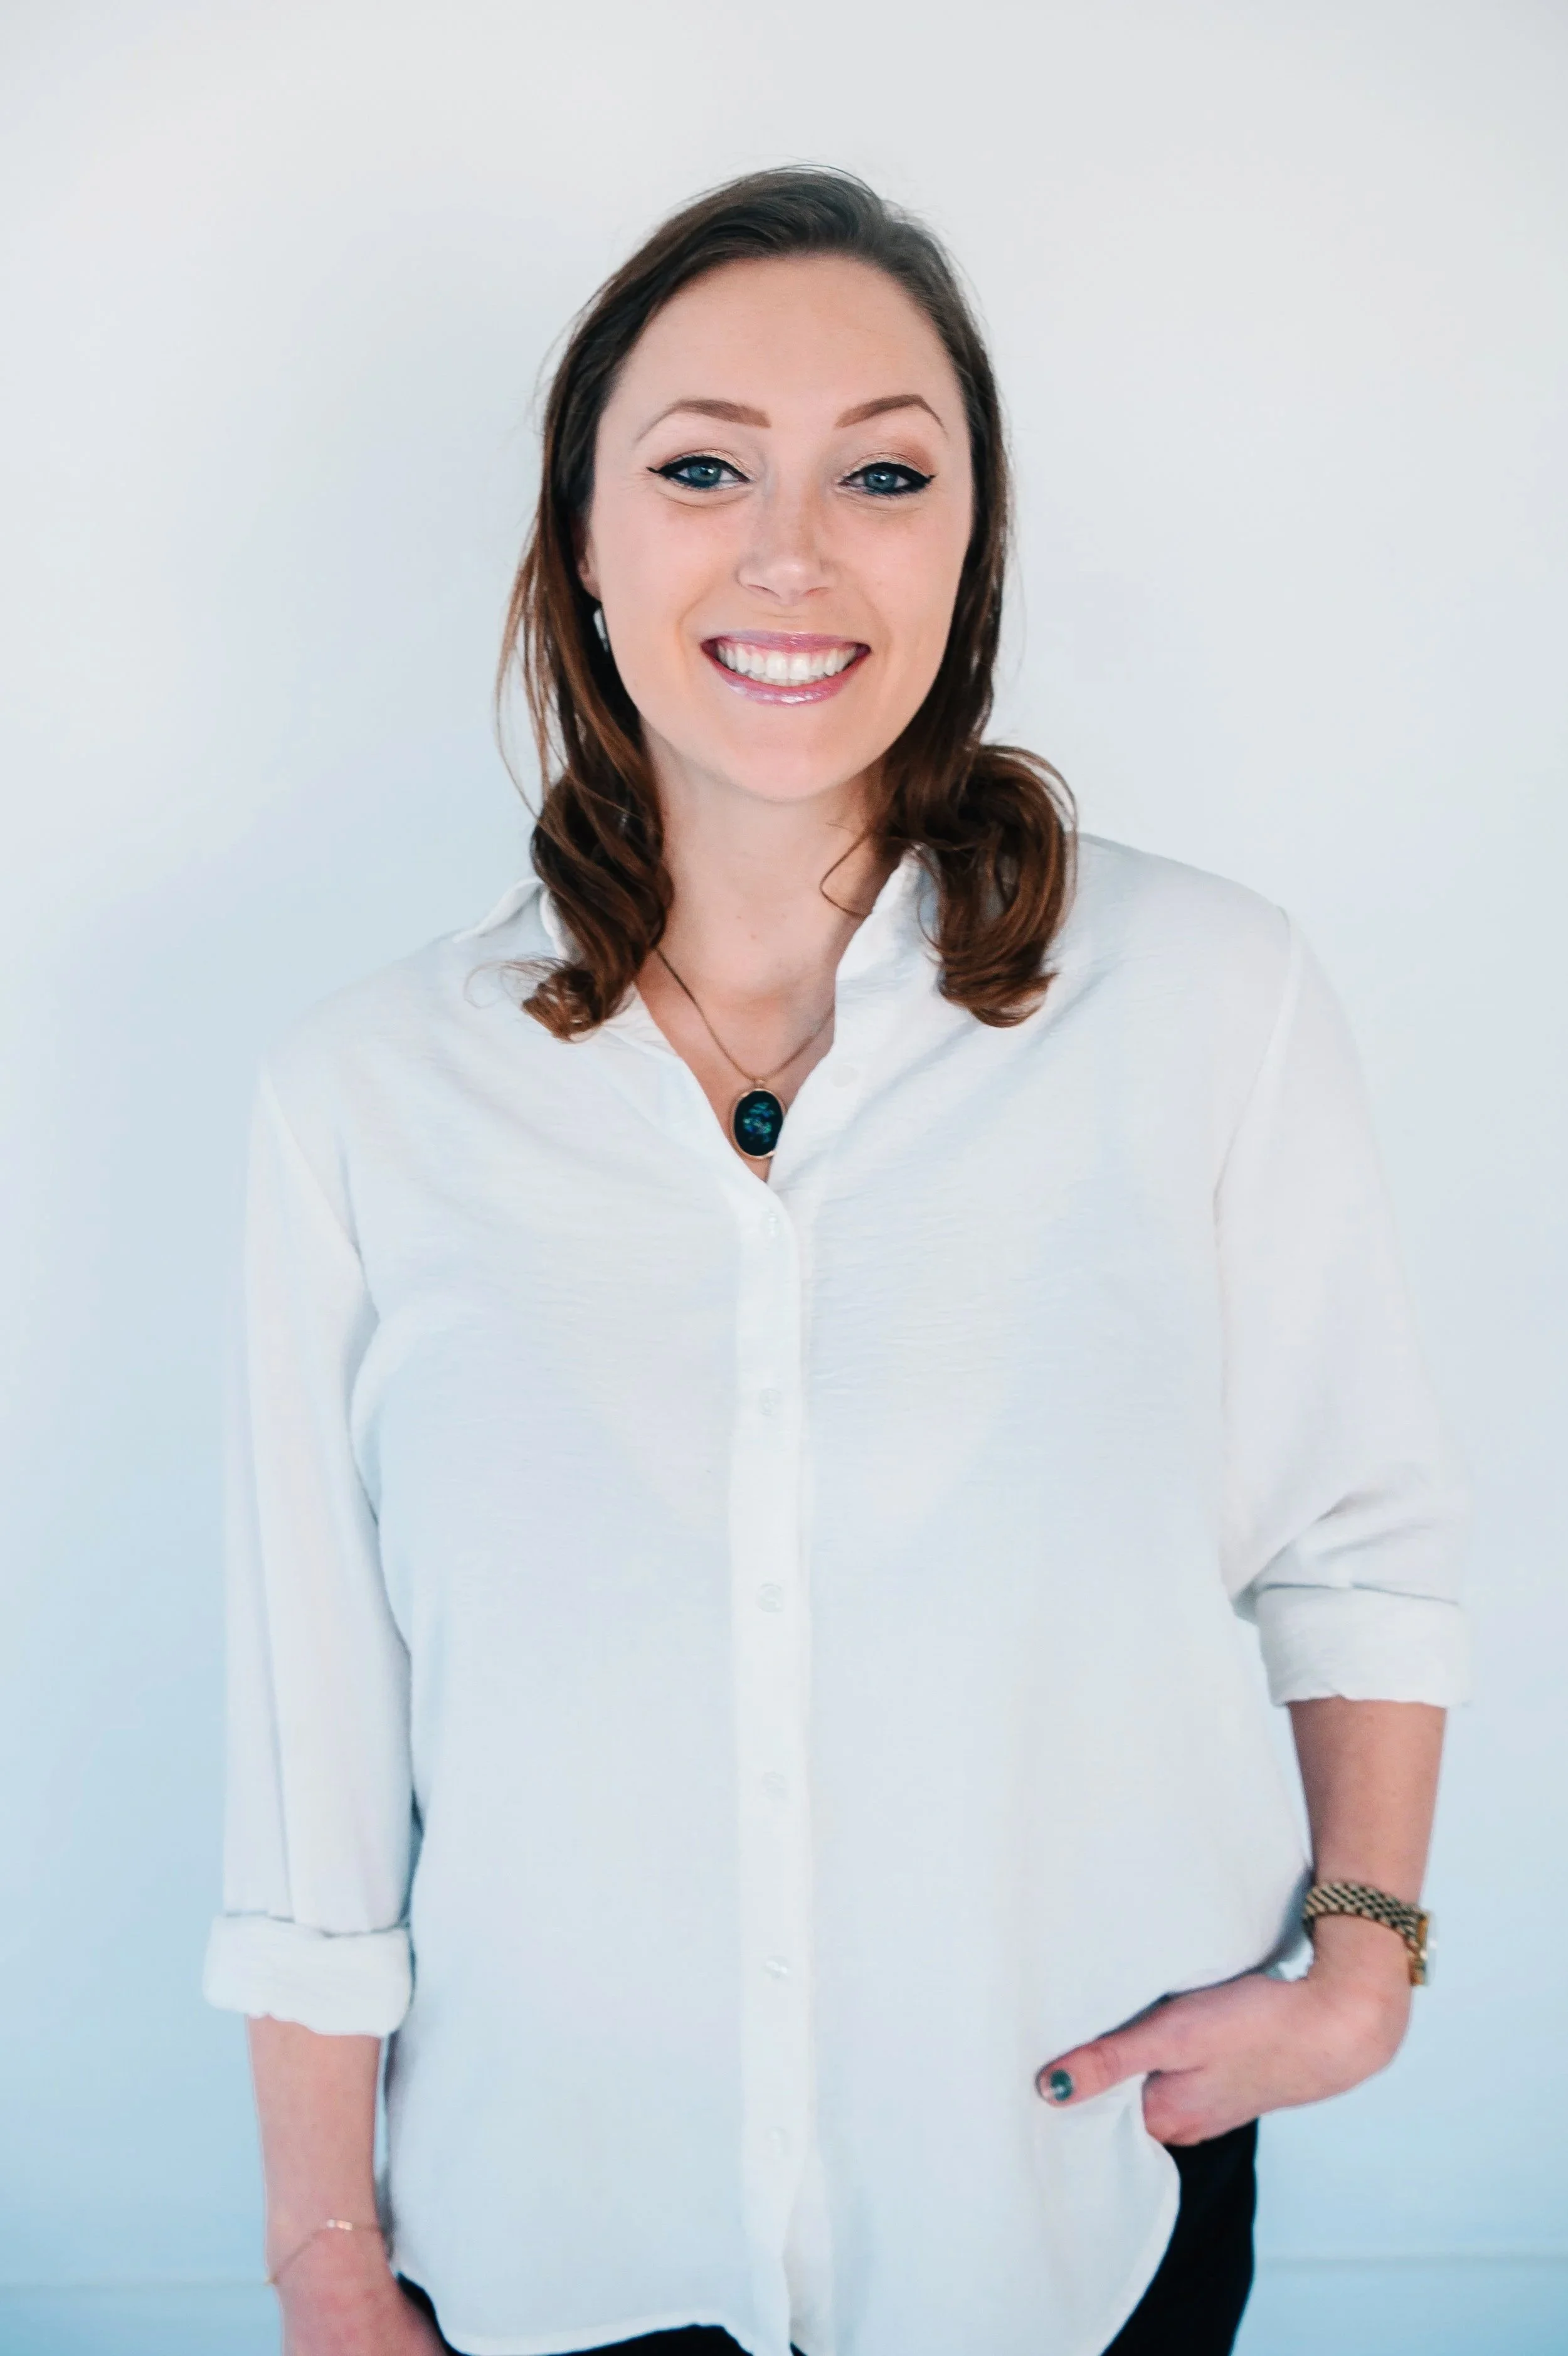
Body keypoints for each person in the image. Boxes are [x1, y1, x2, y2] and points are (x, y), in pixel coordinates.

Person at [203, 168, 1468, 2356]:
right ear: (581, 545)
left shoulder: (1208, 999)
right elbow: (316, 1732)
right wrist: (323, 2248)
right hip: (542, 2252)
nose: (791, 554)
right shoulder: (363, 1096)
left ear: (964, 551)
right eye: (701, 469)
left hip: (1071, 2217)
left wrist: (1356, 1965)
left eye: (882, 472)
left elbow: (1354, 1532)